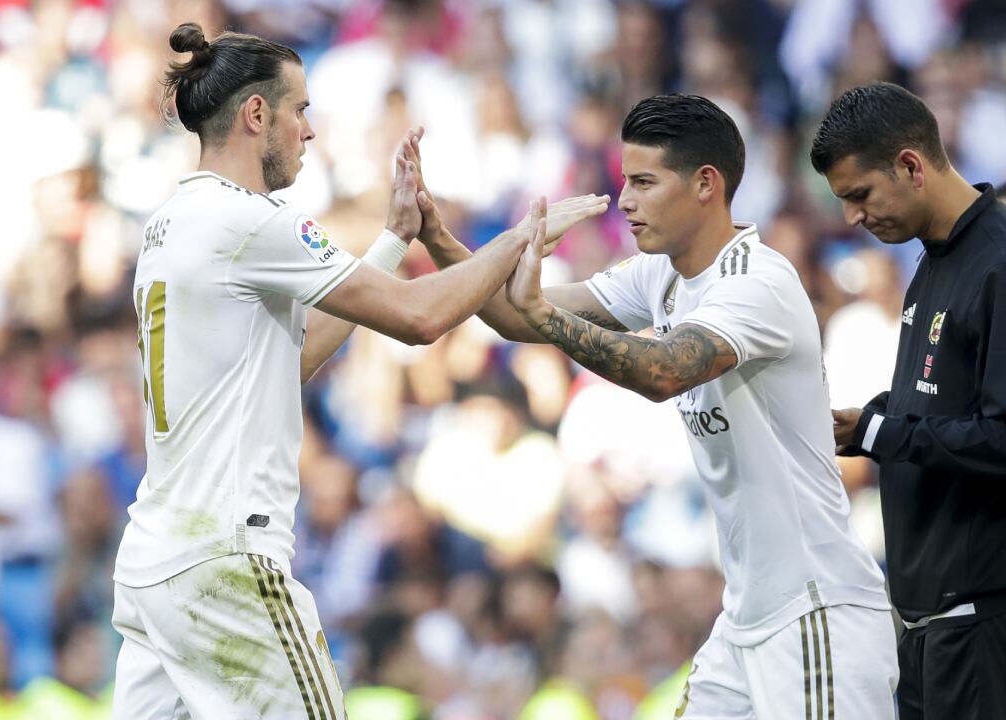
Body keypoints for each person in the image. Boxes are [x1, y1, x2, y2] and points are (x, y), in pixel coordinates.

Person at [109, 24, 609, 720]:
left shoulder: (170, 223)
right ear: (256, 115)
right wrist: (519, 240)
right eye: (299, 110)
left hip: (155, 561)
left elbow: (288, 360)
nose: (309, 131)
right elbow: (420, 318)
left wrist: (394, 240)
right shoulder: (254, 220)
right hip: (227, 557)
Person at [412, 94, 897, 718]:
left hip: (816, 611)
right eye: (624, 182)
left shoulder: (757, 282)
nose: (625, 202)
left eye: (643, 182)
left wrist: (544, 315)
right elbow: (513, 316)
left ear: (705, 183)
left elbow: (663, 370)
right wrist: (438, 237)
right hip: (746, 617)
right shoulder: (658, 274)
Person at [812, 81, 1006, 720]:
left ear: (911, 166)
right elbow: (938, 404)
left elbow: (1000, 437)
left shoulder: (998, 264)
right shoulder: (930, 260)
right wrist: (862, 422)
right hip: (927, 631)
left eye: (860, 195)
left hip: (980, 630)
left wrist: (876, 433)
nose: (853, 218)